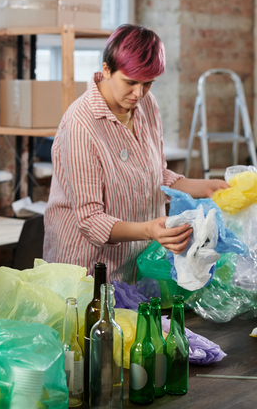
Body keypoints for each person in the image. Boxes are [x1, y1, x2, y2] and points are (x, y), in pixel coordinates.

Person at [43, 24, 229, 283]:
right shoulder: (80, 125)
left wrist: (207, 188)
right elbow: (90, 221)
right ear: (106, 70)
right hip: (86, 271)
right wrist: (148, 230)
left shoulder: (146, 105)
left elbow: (156, 175)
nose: (138, 93)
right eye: (130, 82)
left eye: (148, 83)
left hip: (136, 263)